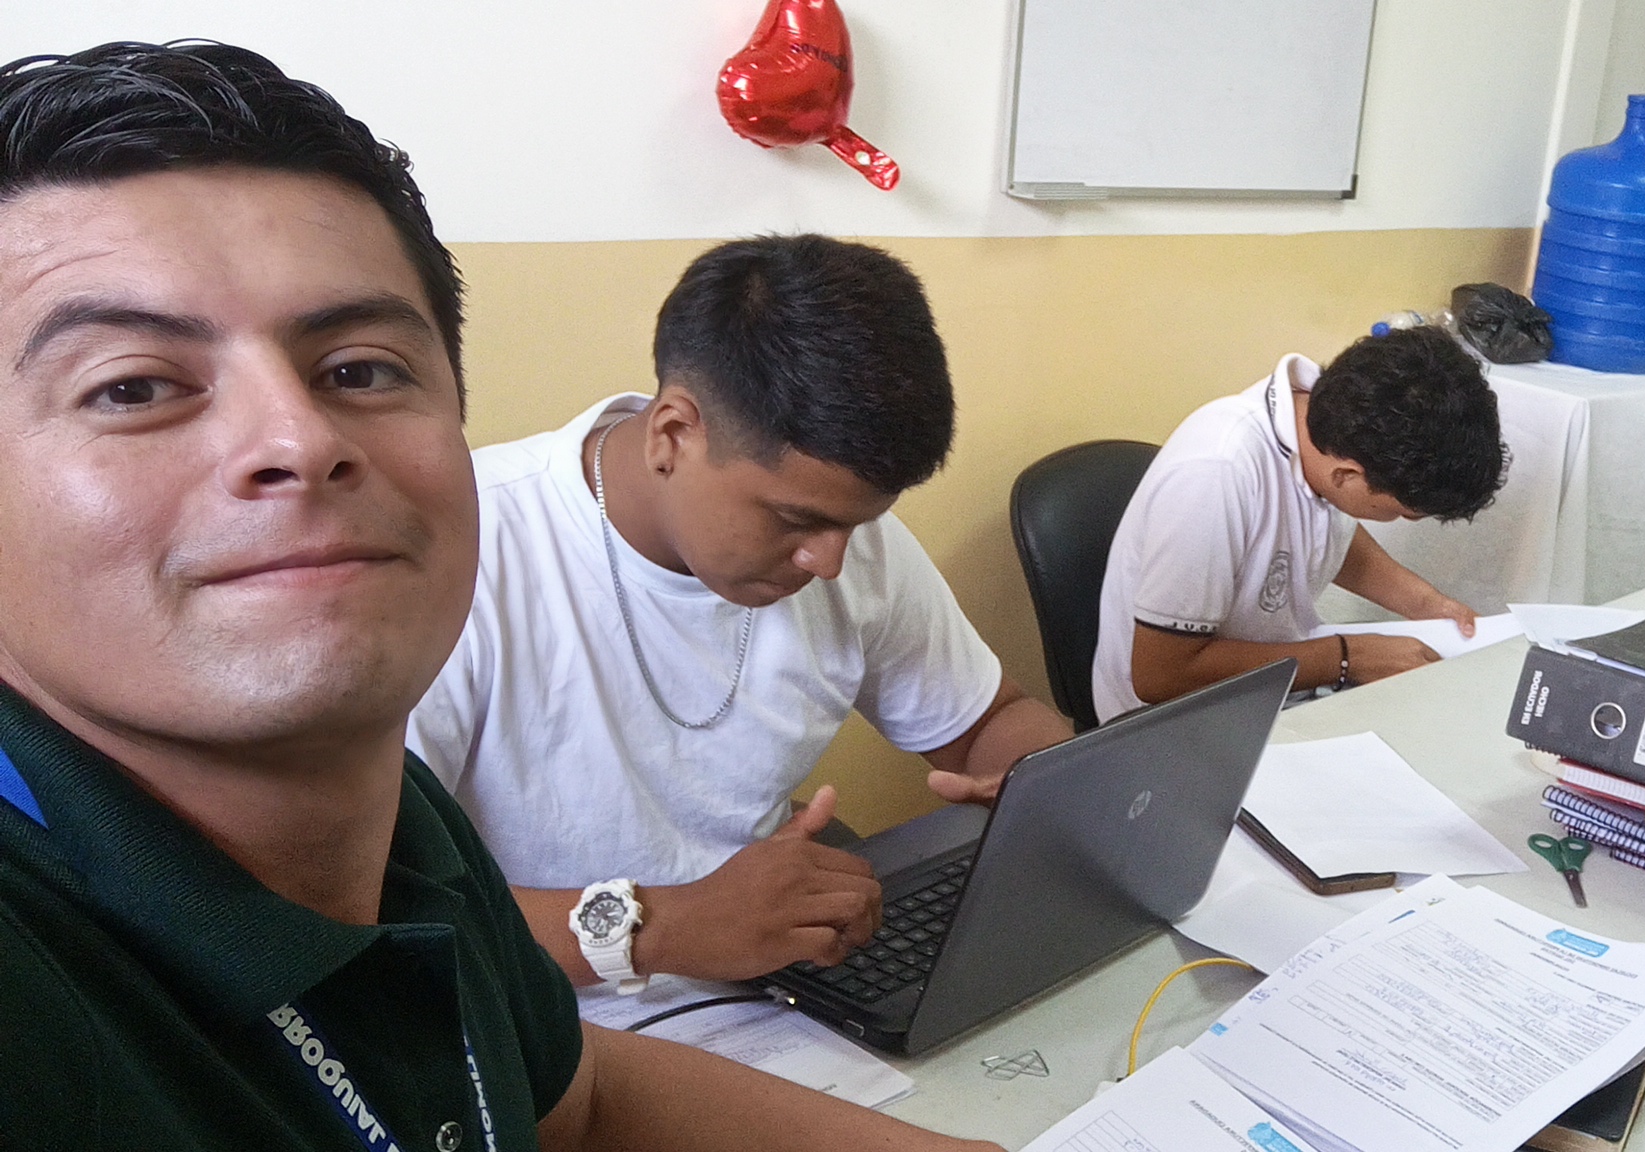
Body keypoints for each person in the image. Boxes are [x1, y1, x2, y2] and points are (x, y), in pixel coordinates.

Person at [0, 41, 992, 1151]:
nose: (300, 439)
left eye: (360, 370)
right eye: (132, 386)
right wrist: (662, 926)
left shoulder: (413, 834)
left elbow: (579, 1095)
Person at [407, 235, 1075, 995]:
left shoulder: (849, 540)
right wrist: (669, 927)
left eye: (855, 524)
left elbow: (990, 722)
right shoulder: (454, 552)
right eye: (795, 520)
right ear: (673, 433)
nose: (828, 561)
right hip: (533, 1009)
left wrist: (1036, 784)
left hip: (769, 990)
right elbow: (376, 912)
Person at [1092, 327, 1506, 722]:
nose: (1399, 518)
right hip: (1171, 723)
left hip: (1270, 687)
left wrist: (1426, 604)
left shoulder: (1331, 426)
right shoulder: (1215, 475)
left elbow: (1326, 535)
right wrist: (1349, 657)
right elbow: (1161, 676)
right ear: (1347, 476)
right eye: (1401, 512)